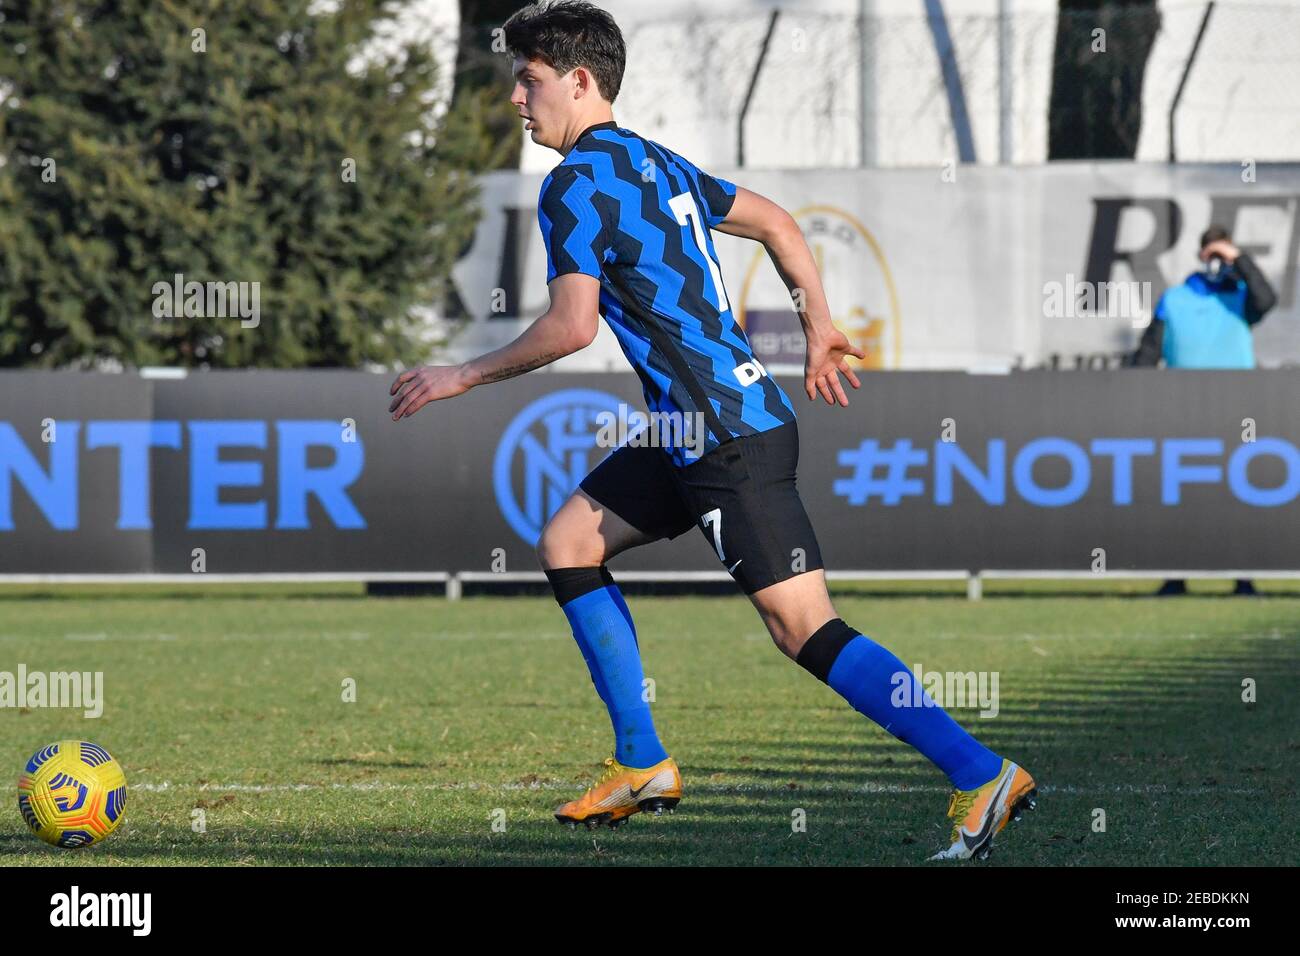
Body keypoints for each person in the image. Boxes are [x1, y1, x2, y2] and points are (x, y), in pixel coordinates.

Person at [388, 0, 1036, 861]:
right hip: (700, 428)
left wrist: (458, 373)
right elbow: (776, 221)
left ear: (580, 82)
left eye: (530, 79)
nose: (517, 97)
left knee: (805, 630)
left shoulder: (575, 183)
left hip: (726, 436)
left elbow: (572, 327)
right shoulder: (656, 163)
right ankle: (644, 762)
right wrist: (816, 324)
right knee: (568, 539)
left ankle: (979, 772)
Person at [1133, 225, 1278, 597]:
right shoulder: (1176, 298)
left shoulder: (1242, 298)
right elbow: (1148, 354)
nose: (1218, 262)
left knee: (1239, 497)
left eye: (1223, 254)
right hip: (1185, 414)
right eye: (1213, 253)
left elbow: (1267, 299)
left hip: (1238, 414)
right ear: (1200, 255)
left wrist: (1237, 258)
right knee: (1182, 497)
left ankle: (1243, 577)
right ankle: (1176, 576)